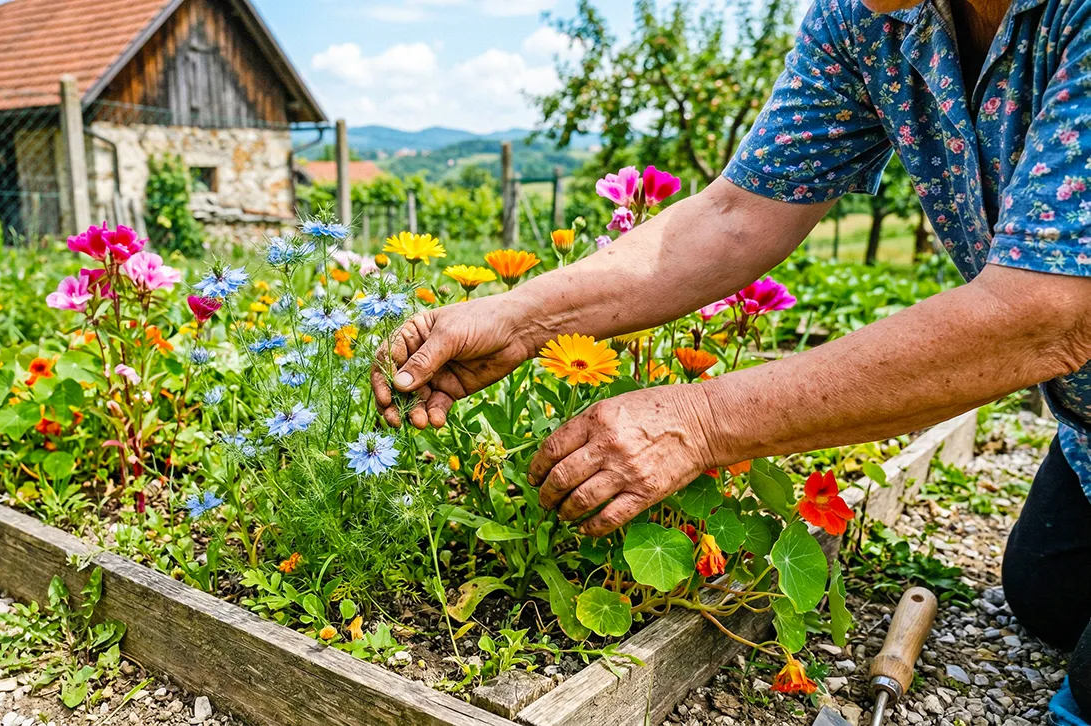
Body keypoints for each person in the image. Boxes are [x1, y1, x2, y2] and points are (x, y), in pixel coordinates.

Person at [370, 0, 1091, 719]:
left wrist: (701, 421)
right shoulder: (868, 16)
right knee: (1046, 599)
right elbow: (738, 212)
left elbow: (1048, 313)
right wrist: (521, 315)